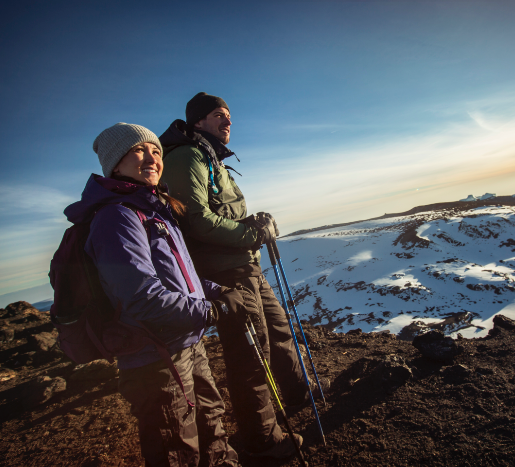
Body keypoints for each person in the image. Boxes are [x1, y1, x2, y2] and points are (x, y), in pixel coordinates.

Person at [159, 93, 326, 458]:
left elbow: (222, 213)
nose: (228, 121)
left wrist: (251, 225)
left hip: (244, 264)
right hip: (225, 271)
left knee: (278, 329)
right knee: (251, 353)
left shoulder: (210, 157)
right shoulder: (188, 156)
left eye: (229, 116)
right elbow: (196, 219)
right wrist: (252, 233)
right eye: (219, 115)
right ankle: (262, 437)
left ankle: (298, 391)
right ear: (199, 122)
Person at [64, 123, 240, 467]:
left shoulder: (154, 209)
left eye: (156, 151)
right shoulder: (117, 218)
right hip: (154, 358)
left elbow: (182, 276)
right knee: (177, 448)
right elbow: (142, 296)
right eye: (139, 150)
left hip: (186, 342)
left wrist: (219, 292)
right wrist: (211, 312)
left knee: (211, 429)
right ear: (116, 163)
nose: (152, 158)